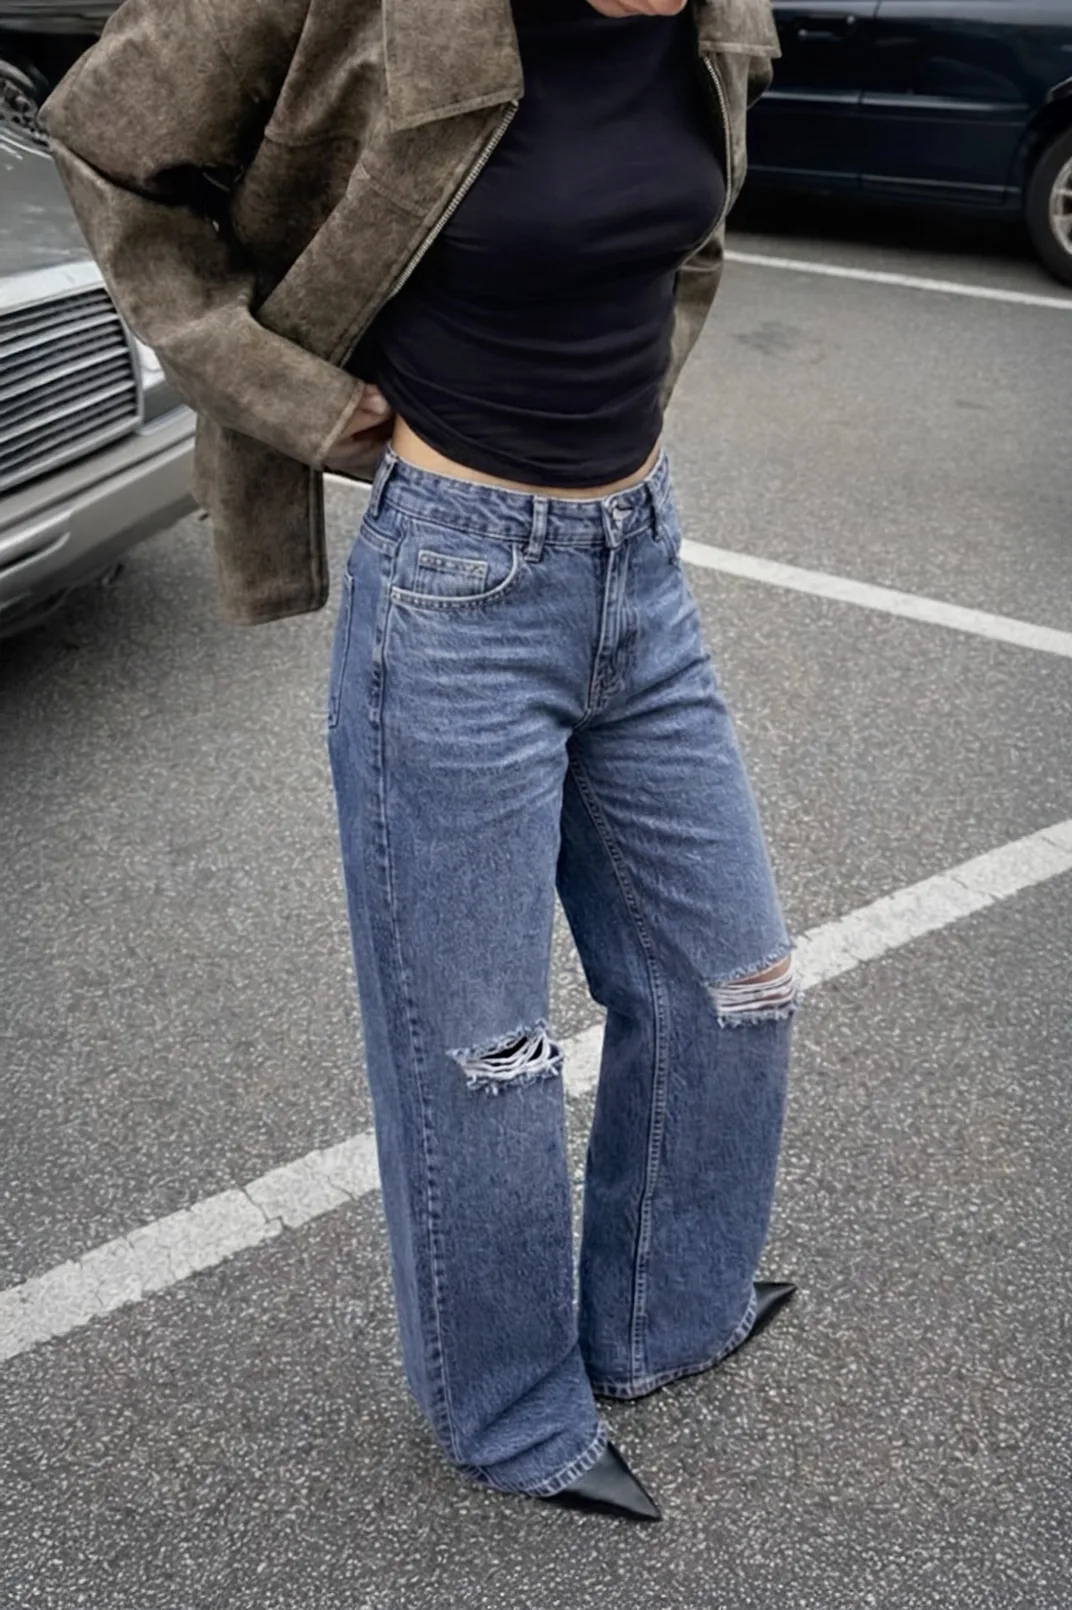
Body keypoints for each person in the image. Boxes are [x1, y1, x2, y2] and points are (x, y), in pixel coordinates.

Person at [41, 0, 798, 1522]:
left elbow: (684, 237)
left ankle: (661, 1317)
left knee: (734, 982)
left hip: (640, 562)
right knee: (482, 1052)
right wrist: (292, 394)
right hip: (461, 587)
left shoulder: (717, 18)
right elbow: (103, 142)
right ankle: (507, 1407)